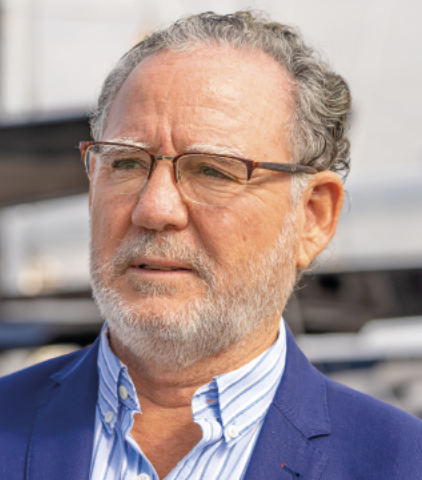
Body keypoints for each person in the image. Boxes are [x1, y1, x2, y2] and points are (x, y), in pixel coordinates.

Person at [1, 11, 421, 480]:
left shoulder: (400, 464)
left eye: (212, 171)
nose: (154, 208)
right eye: (126, 163)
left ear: (312, 217)